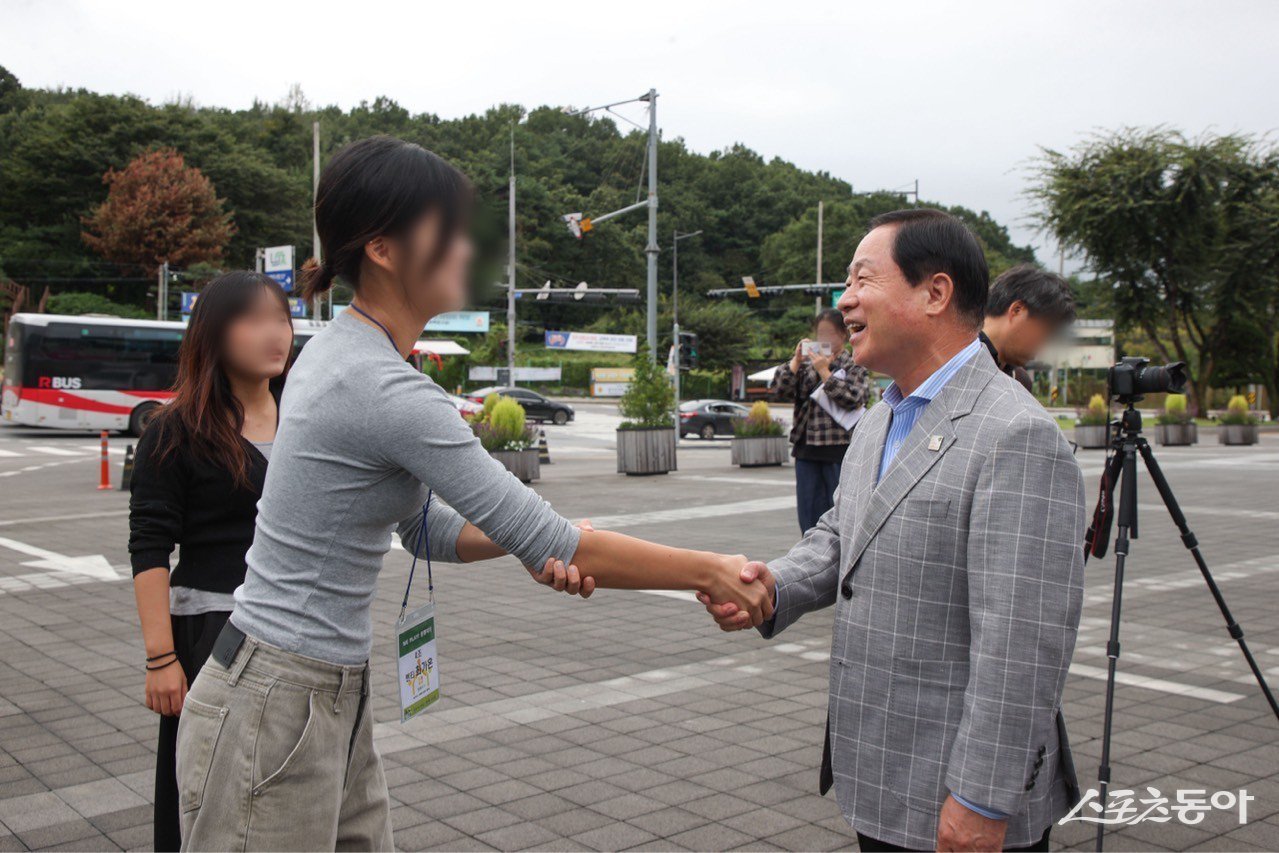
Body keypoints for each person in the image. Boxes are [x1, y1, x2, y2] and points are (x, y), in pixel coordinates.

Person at [175, 135, 771, 851]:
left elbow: (419, 527)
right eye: (445, 228)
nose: (465, 247)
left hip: (317, 688)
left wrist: (519, 539)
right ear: (383, 248)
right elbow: (552, 542)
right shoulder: (379, 384)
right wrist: (707, 569)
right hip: (278, 698)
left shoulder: (343, 350)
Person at [703, 209, 1085, 852]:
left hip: (956, 796)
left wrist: (982, 799)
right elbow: (842, 530)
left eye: (861, 279)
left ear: (935, 293)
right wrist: (773, 587)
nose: (843, 300)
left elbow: (1022, 645)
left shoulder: (1015, 435)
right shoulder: (883, 415)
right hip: (881, 774)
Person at [129, 272, 293, 851]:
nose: (274, 333)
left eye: (282, 317)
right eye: (252, 320)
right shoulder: (177, 431)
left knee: (286, 791)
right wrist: (160, 659)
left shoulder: (307, 422)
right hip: (214, 632)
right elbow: (150, 545)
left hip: (300, 633)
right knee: (209, 789)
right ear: (214, 335)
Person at [770, 308, 870, 532]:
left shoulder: (853, 363)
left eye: (829, 333)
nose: (823, 339)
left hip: (838, 450)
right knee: (808, 516)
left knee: (837, 513)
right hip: (806, 451)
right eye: (820, 333)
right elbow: (778, 392)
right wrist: (795, 361)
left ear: (843, 335)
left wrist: (825, 373)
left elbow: (856, 399)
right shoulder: (806, 365)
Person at [980, 264, 1076, 392]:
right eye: (1045, 332)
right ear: (1017, 310)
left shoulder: (1020, 380)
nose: (1042, 346)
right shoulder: (954, 358)